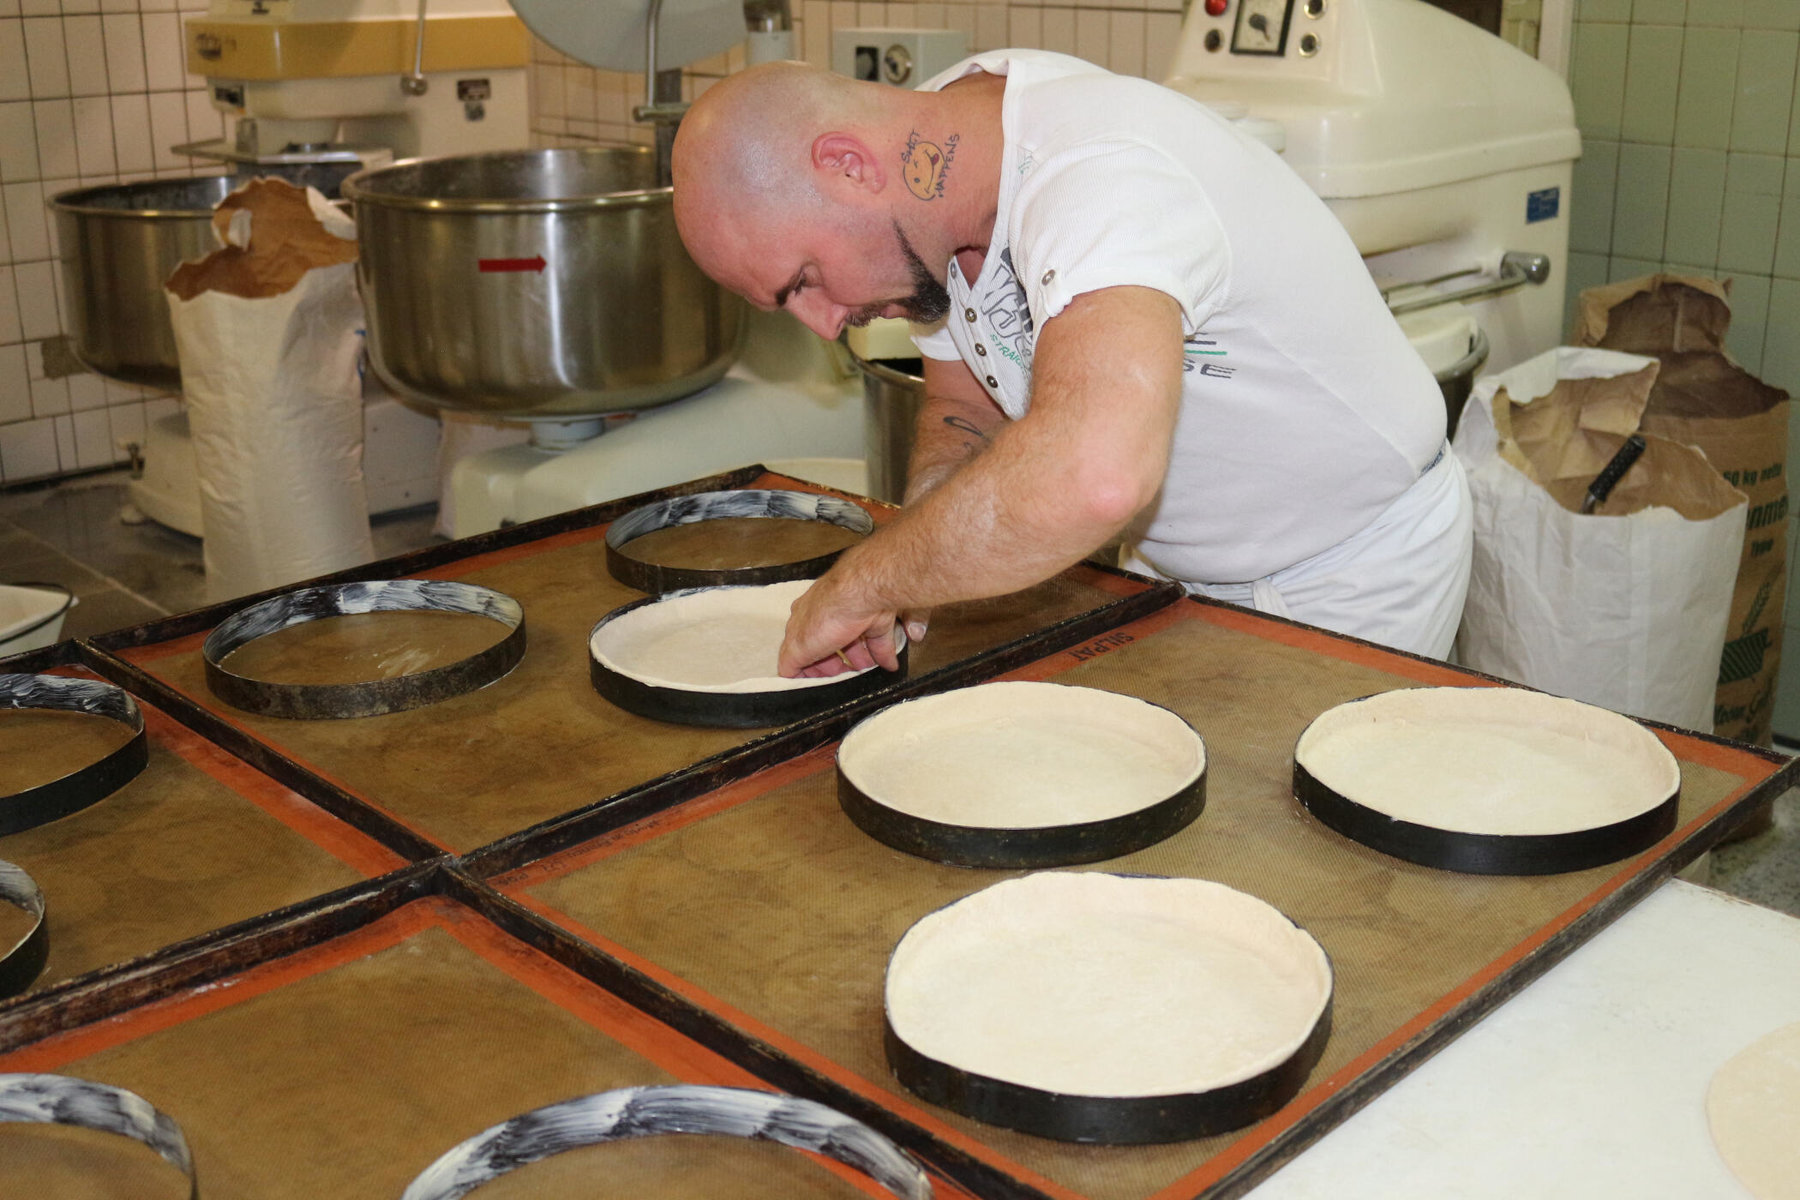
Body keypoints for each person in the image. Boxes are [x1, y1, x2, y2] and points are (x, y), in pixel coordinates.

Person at [670, 50, 1472, 677]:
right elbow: (967, 407)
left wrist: (870, 580)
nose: (824, 325)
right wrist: (917, 568)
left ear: (849, 164)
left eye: (804, 282)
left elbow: (1098, 476)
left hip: (1350, 564)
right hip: (1181, 564)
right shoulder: (941, 156)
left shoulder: (1102, 177)